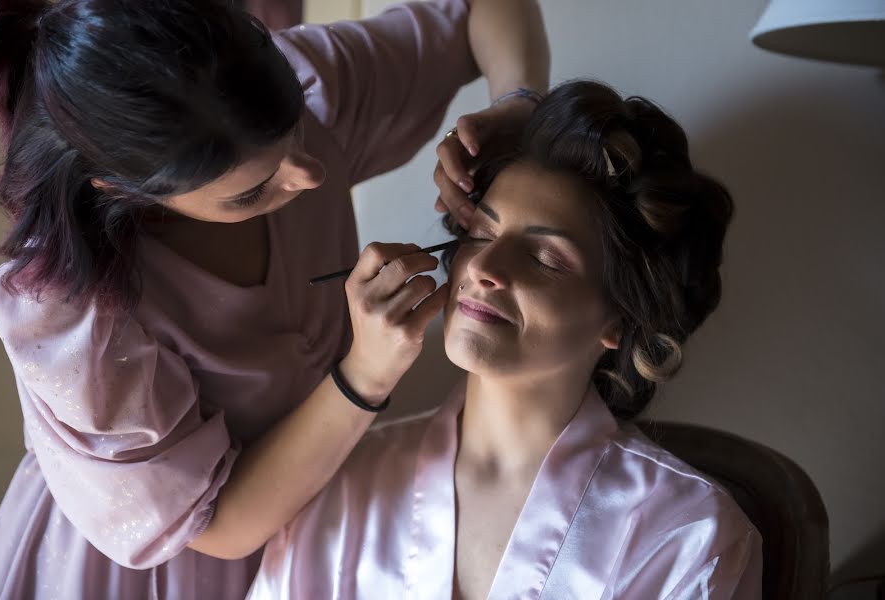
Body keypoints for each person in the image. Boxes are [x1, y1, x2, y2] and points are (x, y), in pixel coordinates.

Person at [0, 0, 549, 598]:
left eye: (296, 130)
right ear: (122, 190)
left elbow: (487, 9)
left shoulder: (310, 82)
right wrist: (365, 373)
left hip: (320, 520)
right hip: (164, 564)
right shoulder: (73, 313)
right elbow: (221, 527)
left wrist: (519, 110)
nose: (308, 176)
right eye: (253, 190)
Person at [247, 81, 762, 600]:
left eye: (544, 259)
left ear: (620, 320)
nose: (485, 268)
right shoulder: (341, 491)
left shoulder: (686, 538)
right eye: (480, 236)